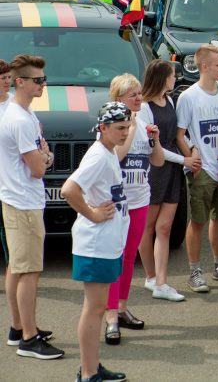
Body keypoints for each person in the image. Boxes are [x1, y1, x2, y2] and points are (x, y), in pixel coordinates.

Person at [61, 102, 132, 382]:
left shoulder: (108, 151)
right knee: (94, 309)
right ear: (103, 128)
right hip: (95, 244)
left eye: (127, 127)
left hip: (107, 243)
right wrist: (92, 213)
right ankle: (88, 373)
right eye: (119, 128)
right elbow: (69, 189)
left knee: (98, 308)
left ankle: (92, 365)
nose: (125, 133)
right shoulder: (99, 156)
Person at [0, 55, 63, 360]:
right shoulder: (21, 119)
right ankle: (28, 337)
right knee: (29, 271)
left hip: (16, 198)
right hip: (23, 200)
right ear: (19, 82)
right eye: (37, 80)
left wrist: (42, 156)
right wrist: (46, 157)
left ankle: (17, 327)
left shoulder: (16, 112)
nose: (42, 85)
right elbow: (38, 168)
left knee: (17, 268)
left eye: (43, 80)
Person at [104, 74, 165, 346]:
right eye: (133, 95)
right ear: (118, 99)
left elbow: (159, 161)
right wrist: (129, 126)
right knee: (114, 258)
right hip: (117, 203)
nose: (139, 98)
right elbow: (117, 155)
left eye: (140, 93)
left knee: (129, 258)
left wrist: (155, 140)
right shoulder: (112, 126)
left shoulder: (143, 123)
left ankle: (121, 307)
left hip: (141, 200)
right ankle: (110, 318)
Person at [176, 45, 218, 293]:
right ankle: (194, 271)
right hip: (202, 168)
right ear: (203, 66)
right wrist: (190, 156)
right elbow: (179, 134)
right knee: (198, 222)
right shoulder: (189, 97)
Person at [139, 60, 195, 302]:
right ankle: (151, 277)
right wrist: (184, 160)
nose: (175, 79)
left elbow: (175, 136)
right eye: (173, 75)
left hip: (173, 170)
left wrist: (190, 151)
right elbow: (154, 145)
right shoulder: (144, 107)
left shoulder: (170, 101)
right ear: (162, 77)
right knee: (148, 226)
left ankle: (161, 281)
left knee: (164, 228)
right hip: (156, 169)